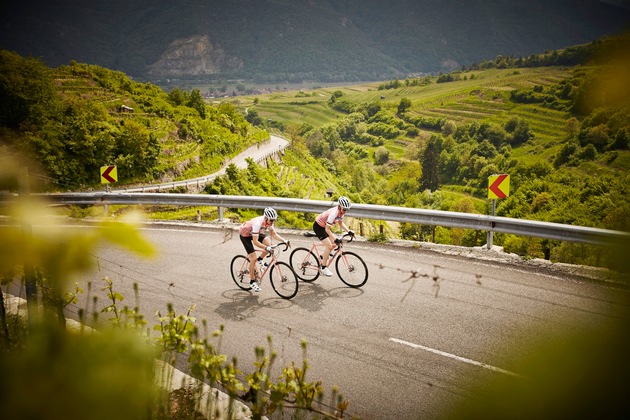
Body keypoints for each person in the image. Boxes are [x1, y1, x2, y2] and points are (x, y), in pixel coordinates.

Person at [239, 207, 288, 292]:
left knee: (271, 246)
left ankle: (260, 260)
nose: (272, 222)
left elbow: (273, 234)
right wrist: (265, 248)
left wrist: (284, 240)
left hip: (255, 233)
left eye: (274, 220)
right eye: (271, 220)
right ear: (266, 218)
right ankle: (252, 281)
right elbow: (255, 242)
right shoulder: (258, 223)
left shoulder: (269, 222)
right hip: (245, 235)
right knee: (253, 258)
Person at [313, 196, 354, 277]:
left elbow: (340, 223)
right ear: (339, 207)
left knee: (335, 244)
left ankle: (322, 256)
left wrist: (348, 231)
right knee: (329, 246)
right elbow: (327, 230)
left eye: (347, 210)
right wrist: (335, 239)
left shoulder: (341, 212)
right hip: (318, 227)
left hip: (325, 227)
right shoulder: (334, 213)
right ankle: (324, 268)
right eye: (344, 209)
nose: (345, 211)